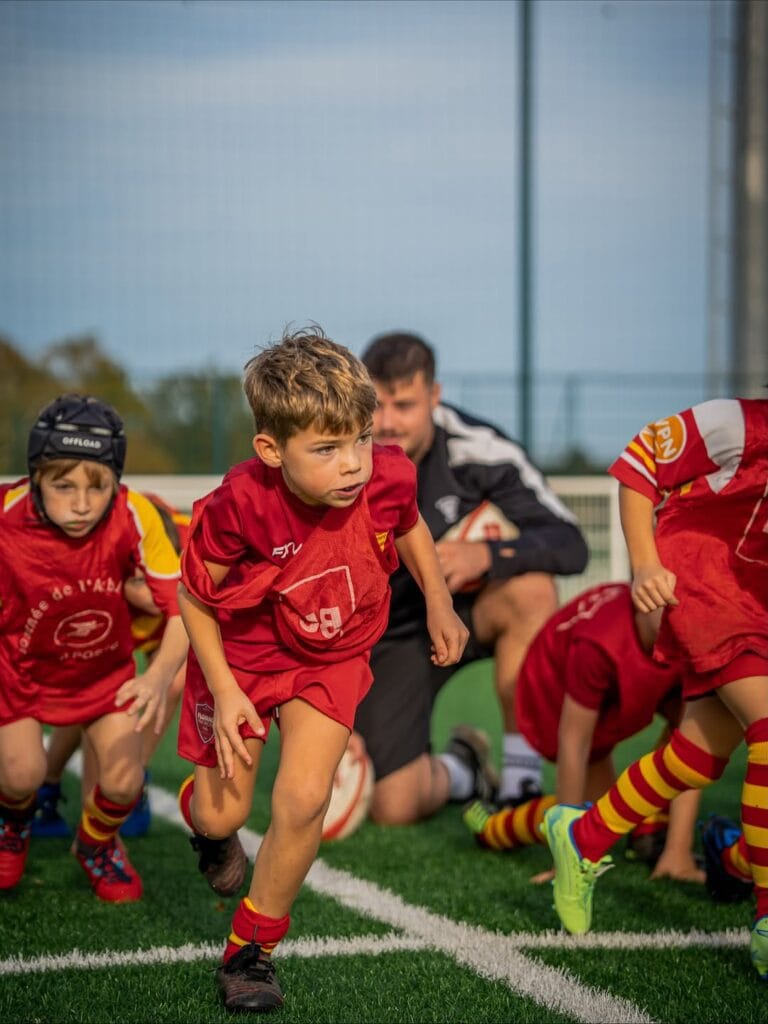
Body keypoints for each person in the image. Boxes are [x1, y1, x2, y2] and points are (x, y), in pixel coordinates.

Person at [175, 327, 468, 1013]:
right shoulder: (241, 503)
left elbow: (409, 525)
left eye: (362, 438)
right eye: (328, 449)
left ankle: (252, 950)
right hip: (243, 659)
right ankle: (209, 835)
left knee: (305, 799)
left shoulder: (388, 473)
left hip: (333, 653)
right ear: (271, 451)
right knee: (225, 810)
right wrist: (223, 687)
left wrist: (438, 601)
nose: (355, 465)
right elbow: (194, 595)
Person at [541, 397, 768, 981]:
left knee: (700, 750)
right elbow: (639, 465)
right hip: (702, 583)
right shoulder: (741, 424)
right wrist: (644, 564)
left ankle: (585, 834)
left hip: (759, 607)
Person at [352, 331, 589, 824]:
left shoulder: (478, 449)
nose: (387, 422)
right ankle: (465, 767)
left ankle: (521, 783)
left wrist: (486, 554)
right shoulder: (344, 456)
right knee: (392, 805)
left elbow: (570, 542)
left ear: (434, 397)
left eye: (404, 404)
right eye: (376, 405)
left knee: (530, 588)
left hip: (466, 610)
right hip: (385, 630)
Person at [0, 394, 188, 901]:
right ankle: (12, 822)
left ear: (117, 481)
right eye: (64, 486)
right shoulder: (4, 520)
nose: (81, 503)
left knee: (125, 784)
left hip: (105, 676)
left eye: (98, 486)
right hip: (21, 673)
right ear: (36, 477)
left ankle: (95, 844)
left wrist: (156, 678)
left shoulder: (136, 514)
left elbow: (182, 612)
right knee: (21, 774)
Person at [463, 581, 703, 885]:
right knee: (599, 812)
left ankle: (656, 828)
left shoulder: (685, 635)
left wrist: (679, 852)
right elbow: (574, 743)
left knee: (698, 726)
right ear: (642, 594)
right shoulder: (600, 641)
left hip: (612, 687)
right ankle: (495, 828)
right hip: (552, 698)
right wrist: (564, 856)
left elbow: (692, 742)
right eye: (670, 603)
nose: (681, 615)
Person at [31, 494, 191, 839]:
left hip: (169, 619)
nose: (152, 593)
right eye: (138, 580)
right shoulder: (95, 570)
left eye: (158, 576)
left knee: (176, 679)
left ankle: (134, 776)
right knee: (93, 698)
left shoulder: (192, 544)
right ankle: (49, 784)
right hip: (108, 617)